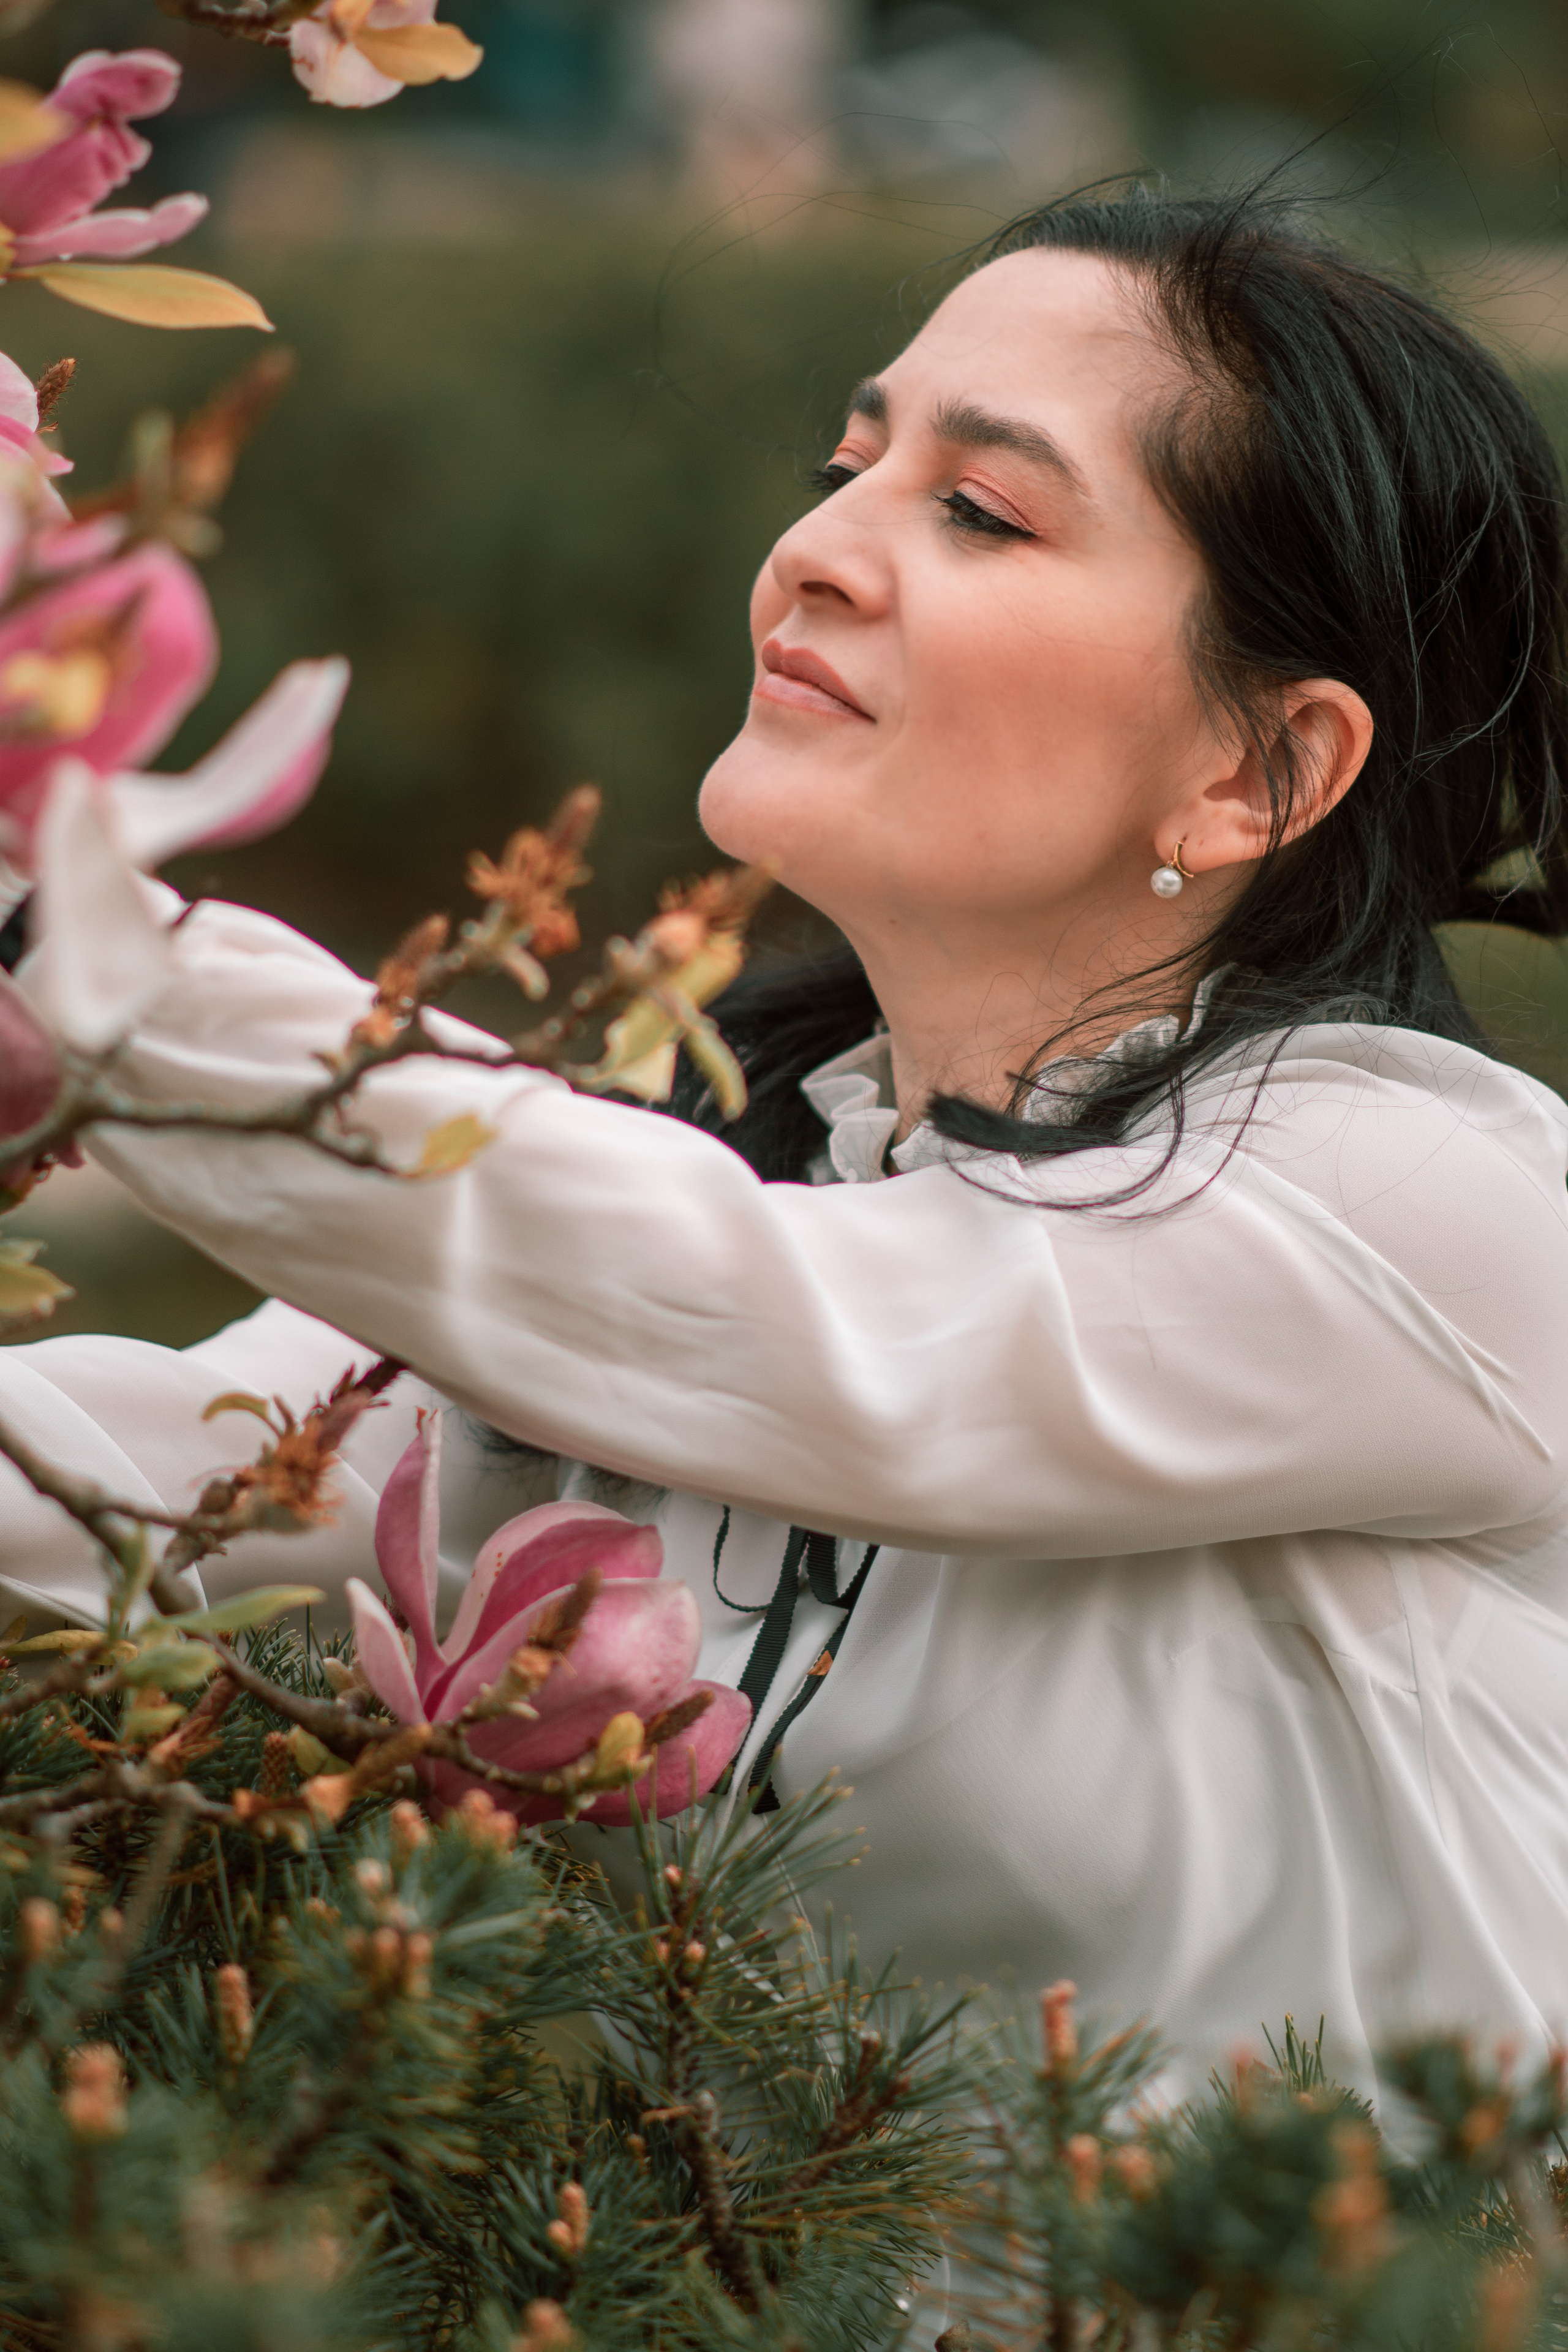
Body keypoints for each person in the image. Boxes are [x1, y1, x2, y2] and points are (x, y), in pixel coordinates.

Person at [6, 186, 1568, 2103]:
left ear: (1265, 772)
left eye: (980, 511)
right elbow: (136, 1478)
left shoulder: (1436, 1214)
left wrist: (55, 906)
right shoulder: (752, 1196)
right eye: (847, 461)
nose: (819, 550)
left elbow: (766, 1326)